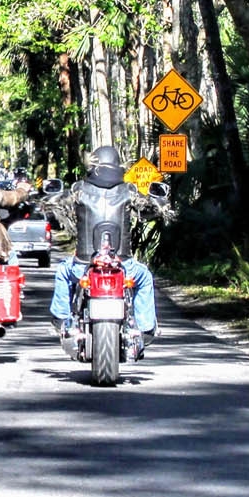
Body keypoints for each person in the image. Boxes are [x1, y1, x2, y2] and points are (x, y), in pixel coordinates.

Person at [48, 145, 168, 355]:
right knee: (145, 277)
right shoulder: (129, 190)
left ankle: (62, 319)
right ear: (117, 163)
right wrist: (159, 203)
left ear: (93, 163)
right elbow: (149, 209)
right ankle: (146, 327)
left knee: (63, 271)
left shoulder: (78, 189)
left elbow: (58, 206)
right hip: (123, 265)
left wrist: (51, 200)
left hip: (84, 266)